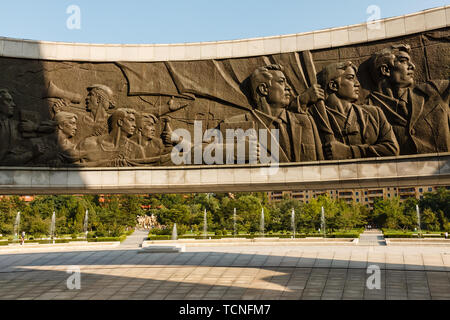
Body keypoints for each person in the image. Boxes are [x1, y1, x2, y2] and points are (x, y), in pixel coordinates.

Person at [221, 64, 323, 163]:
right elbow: (205, 150)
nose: (288, 88)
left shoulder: (305, 122)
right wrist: (234, 151)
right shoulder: (236, 123)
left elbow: (321, 164)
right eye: (281, 82)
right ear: (263, 89)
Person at [366, 44, 450, 155]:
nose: (412, 66)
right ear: (385, 70)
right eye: (404, 61)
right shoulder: (366, 111)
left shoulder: (434, 90)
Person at [310, 61, 399, 160]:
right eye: (351, 78)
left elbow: (392, 149)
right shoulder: (315, 119)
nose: (358, 84)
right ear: (333, 85)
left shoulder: (374, 114)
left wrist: (350, 151)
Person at [80, 108, 145, 166]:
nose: (134, 125)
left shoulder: (136, 150)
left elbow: (143, 174)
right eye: (131, 120)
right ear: (120, 122)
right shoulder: (90, 143)